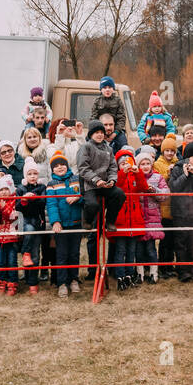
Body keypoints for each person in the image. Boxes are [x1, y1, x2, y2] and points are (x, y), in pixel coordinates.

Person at [77, 120, 126, 283]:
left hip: (105, 184)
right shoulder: (86, 147)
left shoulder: (108, 148)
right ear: (91, 134)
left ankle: (110, 220)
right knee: (92, 205)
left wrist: (112, 180)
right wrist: (96, 180)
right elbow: (83, 168)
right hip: (90, 184)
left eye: (101, 132)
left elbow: (113, 167)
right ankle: (88, 221)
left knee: (119, 194)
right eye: (96, 132)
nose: (99, 134)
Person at [108, 146, 148, 291]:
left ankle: (130, 275)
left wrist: (138, 174)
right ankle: (120, 276)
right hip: (120, 219)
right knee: (120, 250)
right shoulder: (117, 176)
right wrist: (122, 174)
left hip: (134, 219)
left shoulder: (135, 176)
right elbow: (115, 188)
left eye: (128, 162)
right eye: (122, 163)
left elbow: (143, 187)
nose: (126, 165)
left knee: (132, 251)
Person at [168, 141, 193, 281]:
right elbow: (173, 187)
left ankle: (192, 269)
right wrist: (184, 175)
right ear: (188, 157)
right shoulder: (178, 168)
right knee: (181, 241)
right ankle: (182, 271)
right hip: (180, 211)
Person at [46, 150, 84, 297]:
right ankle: (62, 283)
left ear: (67, 166)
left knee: (74, 253)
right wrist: (55, 221)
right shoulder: (51, 185)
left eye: (63, 164)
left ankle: (73, 279)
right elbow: (51, 204)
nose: (60, 167)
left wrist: (77, 198)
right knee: (61, 254)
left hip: (76, 222)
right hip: (61, 225)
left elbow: (85, 196)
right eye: (56, 166)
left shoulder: (76, 179)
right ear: (52, 169)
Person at [135, 148, 168, 283]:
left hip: (153, 218)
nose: (145, 166)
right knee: (139, 249)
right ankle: (140, 274)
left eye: (147, 163)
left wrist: (155, 190)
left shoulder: (157, 177)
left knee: (150, 248)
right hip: (139, 217)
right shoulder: (135, 178)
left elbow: (165, 194)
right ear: (138, 166)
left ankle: (154, 274)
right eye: (142, 164)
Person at [17, 159, 47, 293]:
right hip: (25, 223)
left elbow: (43, 202)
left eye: (35, 173)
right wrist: (23, 200)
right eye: (30, 173)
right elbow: (17, 206)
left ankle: (33, 282)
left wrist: (33, 198)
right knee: (28, 230)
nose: (33, 176)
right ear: (25, 176)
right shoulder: (20, 189)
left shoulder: (42, 188)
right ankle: (25, 254)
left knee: (35, 254)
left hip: (38, 223)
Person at [153, 134, 180, 277]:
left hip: (175, 207)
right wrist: (168, 174)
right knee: (165, 240)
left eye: (172, 151)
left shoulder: (178, 163)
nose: (170, 153)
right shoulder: (157, 164)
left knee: (174, 239)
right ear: (163, 151)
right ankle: (163, 266)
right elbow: (157, 181)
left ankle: (171, 265)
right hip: (163, 208)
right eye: (167, 150)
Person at [0, 178, 20, 295]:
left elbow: (13, 217)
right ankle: (2, 282)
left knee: (12, 261)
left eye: (6, 189)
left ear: (10, 189)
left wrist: (2, 208)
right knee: (0, 261)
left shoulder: (14, 200)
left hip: (12, 236)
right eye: (1, 189)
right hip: (0, 236)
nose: (3, 192)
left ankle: (12, 283)